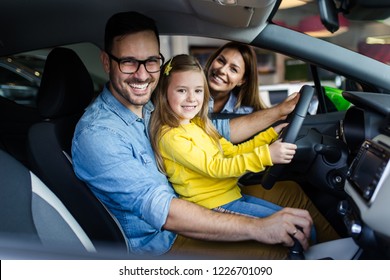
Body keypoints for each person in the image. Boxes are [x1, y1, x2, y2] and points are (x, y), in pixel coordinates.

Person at [72, 11, 338, 259]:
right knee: (281, 247)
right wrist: (259, 227)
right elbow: (165, 211)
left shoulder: (152, 104)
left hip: (190, 205)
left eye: (151, 61)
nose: (142, 75)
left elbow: (219, 133)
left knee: (291, 192)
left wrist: (278, 112)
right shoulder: (98, 135)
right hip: (165, 242)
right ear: (107, 62)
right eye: (129, 62)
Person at [150, 54, 297, 220]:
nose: (191, 98)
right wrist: (266, 155)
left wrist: (270, 135)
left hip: (231, 196)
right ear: (164, 93)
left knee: (295, 217)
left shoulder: (199, 124)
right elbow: (217, 167)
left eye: (198, 90)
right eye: (182, 90)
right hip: (212, 206)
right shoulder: (170, 136)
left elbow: (234, 151)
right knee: (294, 224)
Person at [204, 41, 300, 143]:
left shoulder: (246, 112)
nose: (222, 70)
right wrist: (278, 111)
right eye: (221, 61)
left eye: (233, 70)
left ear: (242, 80)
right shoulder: (189, 97)